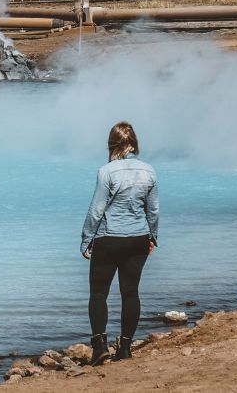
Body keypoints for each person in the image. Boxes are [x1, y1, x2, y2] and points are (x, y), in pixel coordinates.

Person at [80, 121, 159, 365]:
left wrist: (86, 239)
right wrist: (152, 236)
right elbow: (153, 210)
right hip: (138, 239)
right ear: (134, 144)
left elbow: (96, 210)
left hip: (109, 238)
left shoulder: (107, 171)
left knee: (98, 294)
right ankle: (124, 348)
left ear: (111, 145)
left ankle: (99, 347)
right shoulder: (149, 171)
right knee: (130, 293)